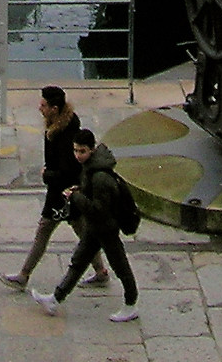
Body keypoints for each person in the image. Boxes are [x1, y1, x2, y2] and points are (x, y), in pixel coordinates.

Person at [0, 86, 108, 294]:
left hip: (62, 192)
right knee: (81, 230)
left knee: (45, 229)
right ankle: (101, 271)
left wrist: (47, 175)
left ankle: (23, 275)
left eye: (43, 105)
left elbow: (68, 171)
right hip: (67, 192)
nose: (39, 108)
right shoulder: (61, 125)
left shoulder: (65, 136)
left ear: (54, 109)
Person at [31, 128, 140, 323]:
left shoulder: (100, 177)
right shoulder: (91, 168)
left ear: (91, 149)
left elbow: (98, 209)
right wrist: (80, 190)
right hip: (95, 228)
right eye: (75, 151)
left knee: (120, 266)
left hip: (105, 229)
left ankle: (131, 304)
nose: (77, 155)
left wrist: (76, 197)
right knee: (78, 262)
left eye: (82, 151)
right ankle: (55, 299)